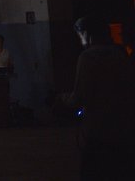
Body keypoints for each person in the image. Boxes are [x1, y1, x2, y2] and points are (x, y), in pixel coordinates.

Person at [58, 15, 135, 180]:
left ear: (87, 34)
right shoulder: (120, 54)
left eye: (80, 36)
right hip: (123, 127)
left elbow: (79, 97)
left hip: (97, 130)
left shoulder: (88, 57)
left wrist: (62, 99)